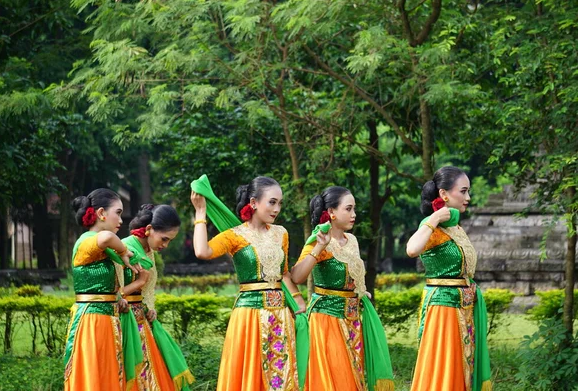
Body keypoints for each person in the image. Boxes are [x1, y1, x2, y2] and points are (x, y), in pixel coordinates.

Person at [191, 176, 305, 391]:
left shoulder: (281, 233)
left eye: (280, 203)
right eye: (272, 202)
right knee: (251, 376)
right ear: (253, 202)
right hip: (249, 315)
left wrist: (299, 302)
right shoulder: (236, 236)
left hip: (281, 314)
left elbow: (284, 274)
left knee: (281, 375)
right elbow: (202, 251)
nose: (277, 208)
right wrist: (200, 213)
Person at [290, 186, 394, 391]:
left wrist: (359, 291)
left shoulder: (352, 240)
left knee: (353, 375)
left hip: (352, 320)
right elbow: (297, 276)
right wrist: (319, 247)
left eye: (354, 209)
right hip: (326, 320)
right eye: (348, 209)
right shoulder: (317, 240)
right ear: (331, 212)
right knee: (336, 378)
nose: (354, 214)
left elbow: (350, 275)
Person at [407, 166, 492, 391]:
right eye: (463, 191)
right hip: (443, 309)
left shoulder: (455, 227)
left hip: (465, 307)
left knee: (463, 367)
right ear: (444, 194)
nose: (468, 197)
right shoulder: (433, 228)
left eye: (468, 191)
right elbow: (412, 249)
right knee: (444, 370)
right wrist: (434, 217)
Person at [63, 188, 137, 391]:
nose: (121, 220)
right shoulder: (87, 241)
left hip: (105, 320)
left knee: (107, 377)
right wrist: (123, 250)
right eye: (118, 212)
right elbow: (105, 238)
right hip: (93, 321)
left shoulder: (100, 248)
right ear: (101, 213)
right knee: (95, 379)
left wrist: (117, 298)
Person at [116, 204, 195, 391]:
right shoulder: (124, 248)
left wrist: (151, 308)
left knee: (152, 379)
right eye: (164, 239)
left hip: (143, 324)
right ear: (149, 229)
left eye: (169, 241)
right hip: (124, 325)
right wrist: (138, 283)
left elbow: (148, 291)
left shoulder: (148, 253)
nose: (165, 245)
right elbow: (113, 293)